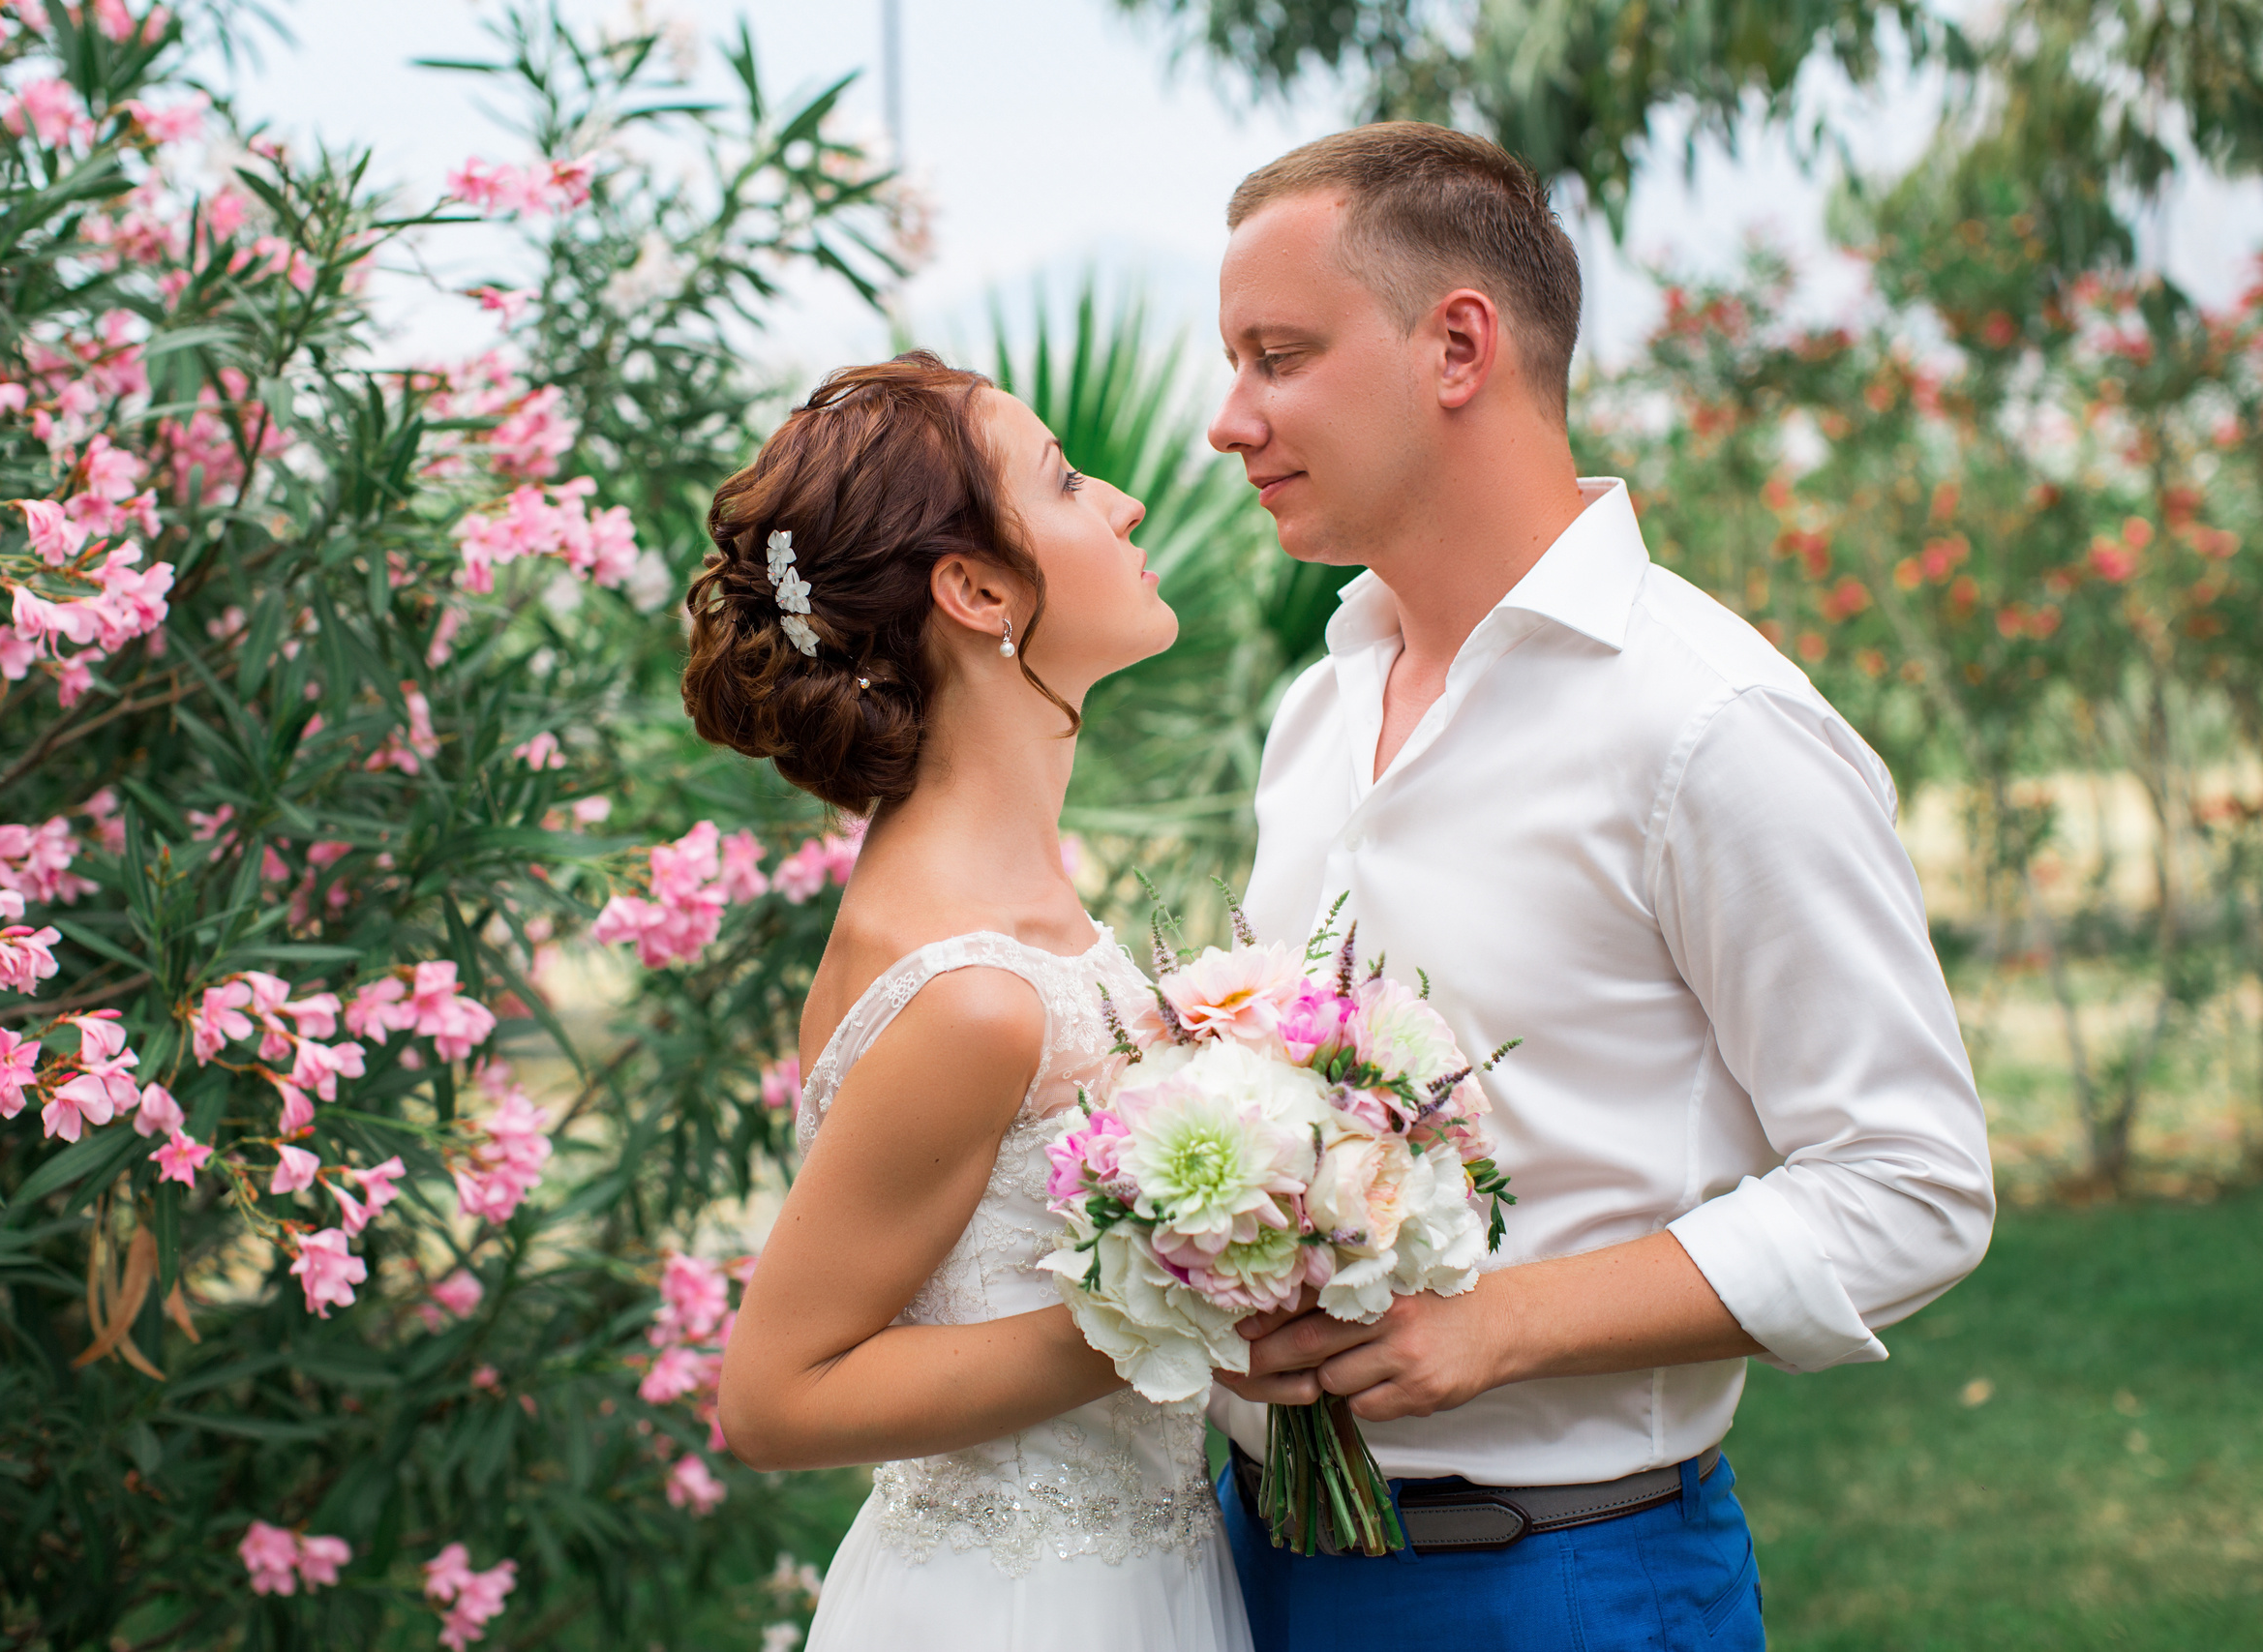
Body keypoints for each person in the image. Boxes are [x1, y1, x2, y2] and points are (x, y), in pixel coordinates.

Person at [1203, 124, 1997, 1649]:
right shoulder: (1320, 704)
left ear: (1458, 345)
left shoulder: (1710, 725)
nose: (1230, 420)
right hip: (1251, 1564)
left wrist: (1501, 1327)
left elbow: (1912, 1186)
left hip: (1562, 1585)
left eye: (1277, 356)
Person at [696, 354, 1252, 1651]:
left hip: (1149, 1574)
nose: (1122, 501)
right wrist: (1183, 1297)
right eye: (1065, 480)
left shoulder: (1001, 902)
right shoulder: (973, 994)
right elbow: (776, 1397)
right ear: (979, 588)